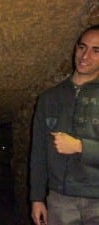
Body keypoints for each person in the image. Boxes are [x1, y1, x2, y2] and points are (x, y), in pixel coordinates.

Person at [30, 24, 99, 225]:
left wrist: (80, 146)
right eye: (82, 47)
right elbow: (38, 152)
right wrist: (36, 198)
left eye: (96, 51)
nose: (85, 56)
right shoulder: (49, 98)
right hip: (61, 201)